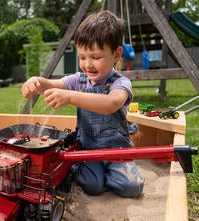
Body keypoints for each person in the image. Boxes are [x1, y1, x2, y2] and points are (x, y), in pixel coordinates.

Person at [21, 10, 144, 198]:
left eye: (96, 57)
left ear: (117, 54)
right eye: (82, 57)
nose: (88, 65)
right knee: (93, 186)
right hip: (88, 149)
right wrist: (35, 82)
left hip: (117, 150)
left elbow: (111, 103)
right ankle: (85, 170)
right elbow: (50, 84)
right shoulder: (79, 80)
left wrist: (71, 96)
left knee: (131, 187)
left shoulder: (121, 83)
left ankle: (114, 173)